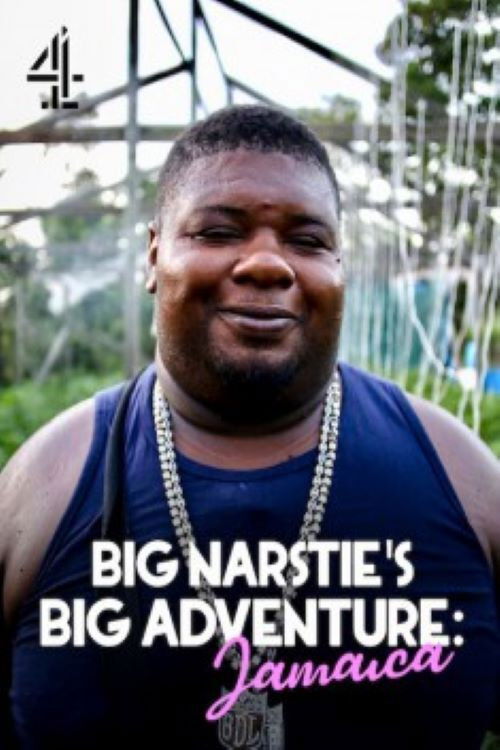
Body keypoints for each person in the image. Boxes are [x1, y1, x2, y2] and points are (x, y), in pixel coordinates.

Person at [0, 105, 499, 750]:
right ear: (154, 255)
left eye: (307, 241)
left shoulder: (460, 474)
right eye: (217, 232)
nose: (267, 264)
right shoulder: (47, 483)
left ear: (340, 267)